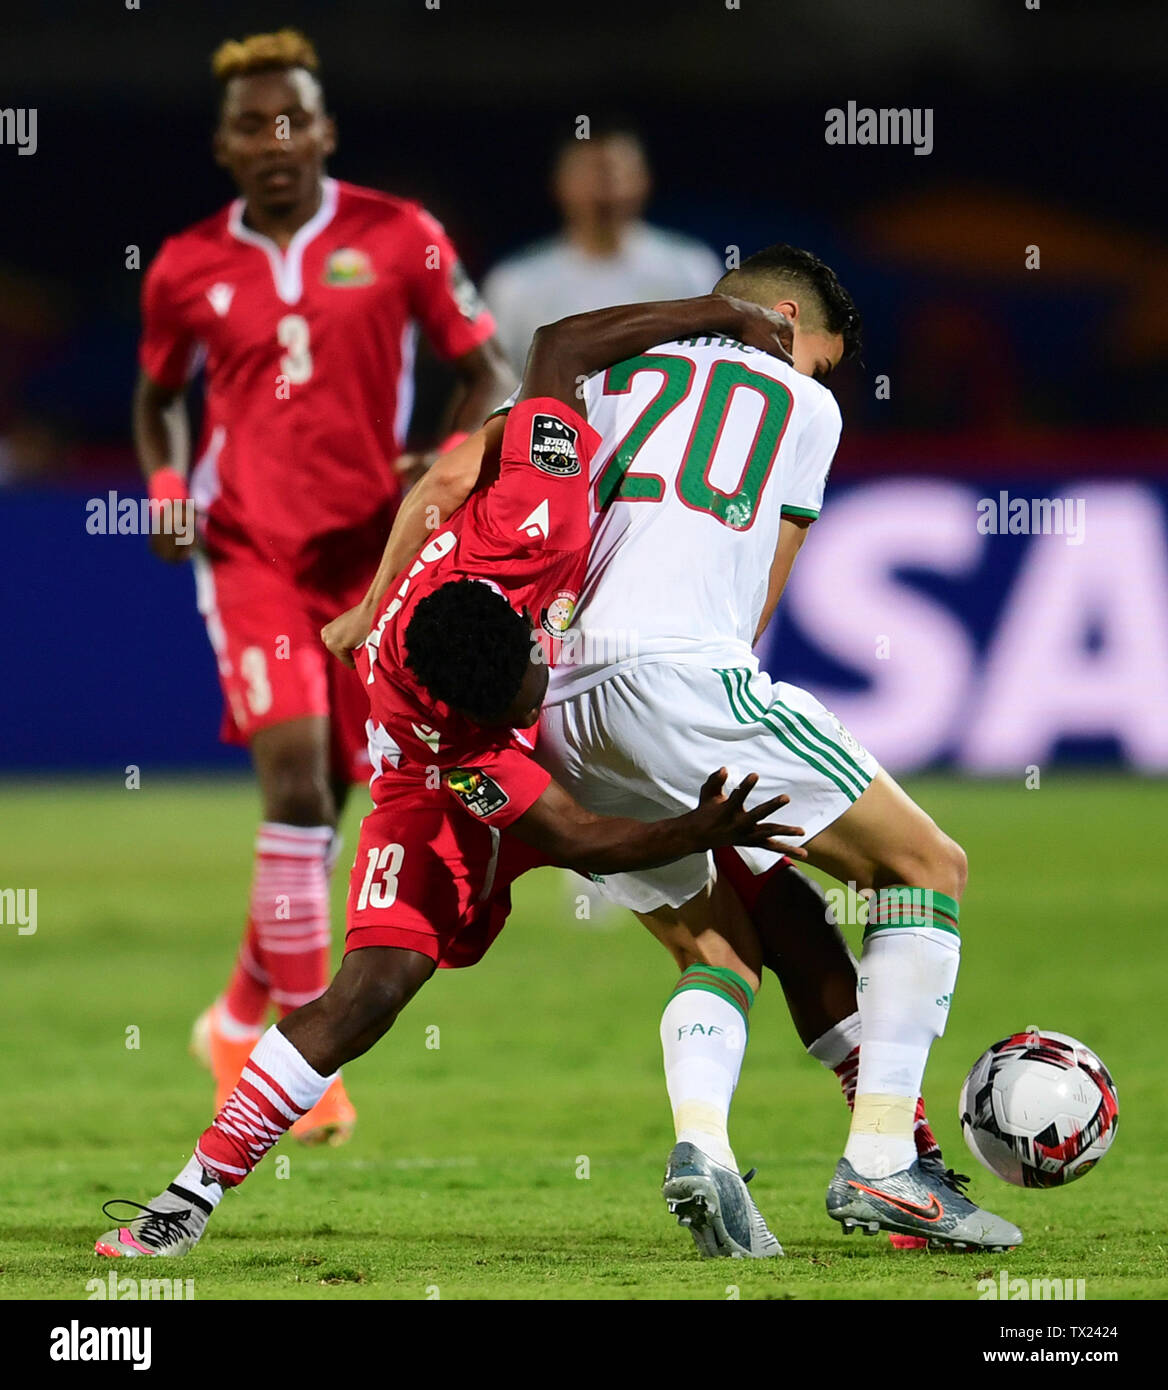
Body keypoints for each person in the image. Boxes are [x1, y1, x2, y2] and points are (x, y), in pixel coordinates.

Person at [95, 294, 805, 1259]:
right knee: (371, 994)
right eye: (516, 699)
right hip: (429, 799)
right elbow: (575, 834)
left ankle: (731, 1147)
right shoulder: (443, 733)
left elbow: (557, 343)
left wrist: (716, 313)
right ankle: (185, 1202)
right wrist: (698, 826)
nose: (530, 696)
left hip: (549, 703)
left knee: (726, 941)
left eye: (527, 675)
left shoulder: (534, 516)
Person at [133, 29, 512, 1143]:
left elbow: (484, 369)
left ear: (326, 130)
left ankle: (236, 1014)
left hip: (371, 554)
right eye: (252, 124)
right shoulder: (185, 266)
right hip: (249, 551)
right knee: (296, 788)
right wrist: (163, 483)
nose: (275, 139)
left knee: (335, 802)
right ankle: (300, 1068)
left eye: (293, 118)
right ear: (224, 145)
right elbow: (157, 398)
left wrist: (443, 465)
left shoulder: (399, 235)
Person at [482, 127, 723, 373]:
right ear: (559, 183)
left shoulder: (691, 267)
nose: (604, 191)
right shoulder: (514, 282)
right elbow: (495, 377)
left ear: (644, 179)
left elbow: (717, 361)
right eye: (590, 174)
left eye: (616, 174)